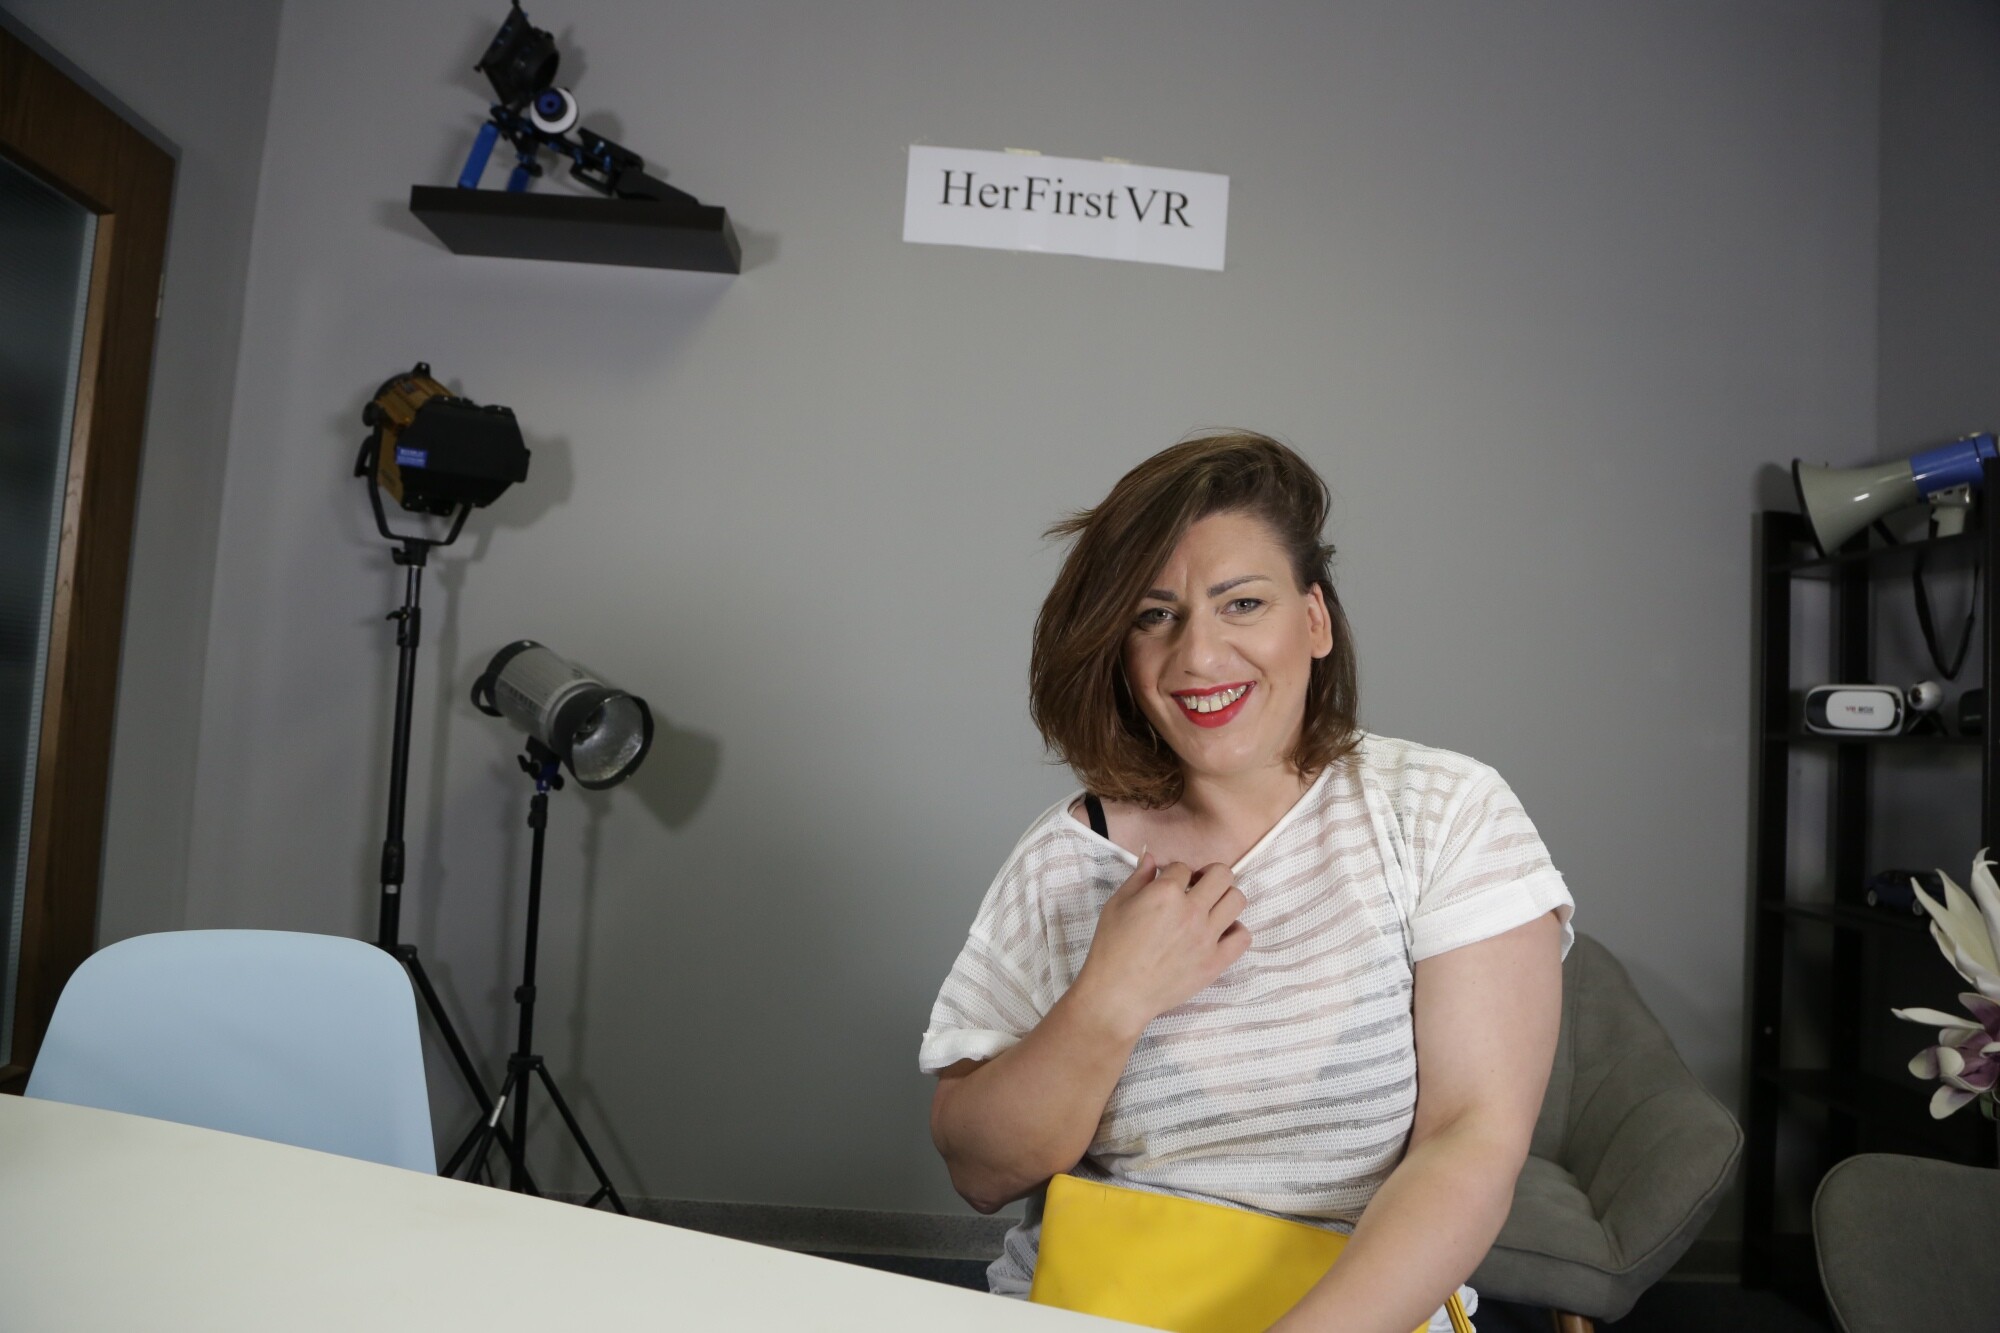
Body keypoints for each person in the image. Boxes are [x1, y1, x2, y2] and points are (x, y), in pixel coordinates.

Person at [920, 432, 1574, 1333]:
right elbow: (979, 1170)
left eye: (1242, 603)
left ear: (1314, 620)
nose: (1198, 655)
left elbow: (1472, 1141)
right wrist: (1110, 999)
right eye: (1154, 615)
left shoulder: (1443, 811)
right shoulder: (1062, 858)